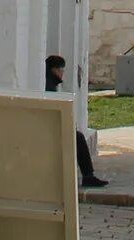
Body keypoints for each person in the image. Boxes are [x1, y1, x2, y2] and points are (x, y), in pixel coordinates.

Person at [45, 54, 107, 187]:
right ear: (55, 70)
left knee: (77, 136)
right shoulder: (49, 84)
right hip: (47, 130)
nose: (62, 73)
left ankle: (88, 175)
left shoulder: (48, 81)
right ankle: (88, 176)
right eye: (62, 70)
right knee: (78, 137)